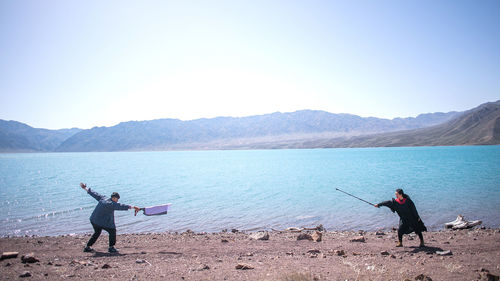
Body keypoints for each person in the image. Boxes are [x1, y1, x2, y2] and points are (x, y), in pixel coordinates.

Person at [80, 183, 140, 253]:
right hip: (101, 221)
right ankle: (111, 247)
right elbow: (121, 206)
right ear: (114, 198)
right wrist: (133, 207)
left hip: (94, 220)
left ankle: (87, 247)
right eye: (117, 199)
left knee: (97, 233)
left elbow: (94, 193)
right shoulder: (112, 204)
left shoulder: (103, 198)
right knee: (112, 231)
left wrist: (85, 188)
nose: (117, 200)